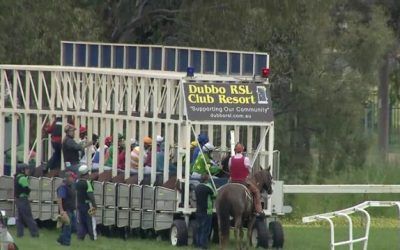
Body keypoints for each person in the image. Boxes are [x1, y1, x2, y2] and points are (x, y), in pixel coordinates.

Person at [229, 143, 263, 217]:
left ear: (235, 150)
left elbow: (230, 168)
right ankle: (258, 210)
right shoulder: (246, 159)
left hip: (232, 182)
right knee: (256, 191)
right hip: (243, 182)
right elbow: (249, 170)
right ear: (243, 150)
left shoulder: (231, 159)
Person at [14, 163, 39, 238]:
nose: (28, 171)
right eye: (26, 169)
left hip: (18, 199)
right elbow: (27, 189)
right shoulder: (22, 178)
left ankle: (20, 234)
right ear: (22, 170)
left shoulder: (17, 177)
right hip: (23, 199)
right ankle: (35, 233)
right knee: (28, 217)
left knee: (20, 218)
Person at [75, 165, 97, 241]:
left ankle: (80, 237)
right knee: (90, 222)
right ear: (86, 174)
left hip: (79, 205)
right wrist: (94, 205)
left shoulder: (77, 182)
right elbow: (91, 195)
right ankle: (93, 238)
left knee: (81, 222)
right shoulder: (87, 183)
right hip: (87, 205)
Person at [194, 174, 216, 249]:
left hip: (198, 210)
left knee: (199, 228)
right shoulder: (208, 188)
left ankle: (198, 244)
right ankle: (203, 245)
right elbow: (215, 195)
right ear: (207, 180)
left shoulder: (197, 187)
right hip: (207, 211)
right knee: (205, 229)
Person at [56, 171, 77, 246]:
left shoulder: (71, 186)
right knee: (68, 227)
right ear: (68, 178)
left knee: (74, 227)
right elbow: (60, 198)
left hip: (71, 209)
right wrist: (61, 210)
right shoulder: (62, 187)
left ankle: (60, 239)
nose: (74, 179)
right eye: (72, 177)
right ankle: (66, 243)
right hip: (65, 210)